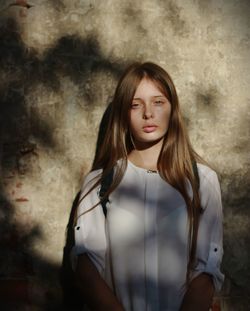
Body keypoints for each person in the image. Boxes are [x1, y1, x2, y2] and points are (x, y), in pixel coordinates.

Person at [71, 62, 224, 311]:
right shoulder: (99, 183)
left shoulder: (203, 181)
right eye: (135, 104)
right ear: (123, 113)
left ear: (172, 109)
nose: (148, 114)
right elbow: (87, 272)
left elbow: (206, 274)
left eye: (158, 102)